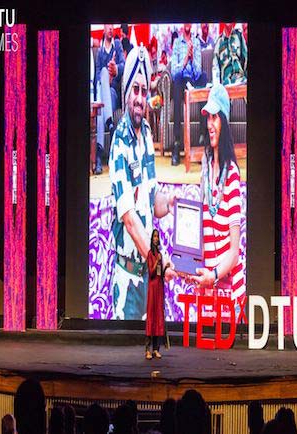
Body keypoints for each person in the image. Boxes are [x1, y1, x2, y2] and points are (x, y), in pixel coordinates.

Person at [109, 44, 176, 320]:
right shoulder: (119, 143)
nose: (139, 98)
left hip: (149, 277)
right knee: (125, 348)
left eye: (144, 91)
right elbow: (130, 221)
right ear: (126, 92)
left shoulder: (147, 134)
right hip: (128, 283)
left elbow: (151, 202)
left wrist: (171, 202)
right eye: (135, 90)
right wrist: (159, 263)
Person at [193, 84, 245, 320]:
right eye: (208, 118)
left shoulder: (232, 174)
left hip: (230, 291)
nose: (210, 124)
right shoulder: (205, 168)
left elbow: (234, 252)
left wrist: (213, 275)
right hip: (209, 290)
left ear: (224, 120)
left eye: (215, 117)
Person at [171, 23, 208, 166]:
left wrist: (192, 59)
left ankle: (202, 138)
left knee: (204, 77)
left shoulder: (196, 42)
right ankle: (176, 143)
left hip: (193, 79)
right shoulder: (177, 43)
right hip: (181, 79)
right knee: (177, 80)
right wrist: (186, 59)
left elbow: (198, 71)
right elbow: (174, 72)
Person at [94, 24, 125, 174]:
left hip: (113, 92)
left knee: (100, 108)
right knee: (103, 72)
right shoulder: (99, 51)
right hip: (101, 92)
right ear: (104, 29)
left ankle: (98, 156)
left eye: (112, 26)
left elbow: (124, 65)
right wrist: (105, 76)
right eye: (108, 26)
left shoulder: (117, 45)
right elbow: (97, 75)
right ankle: (110, 124)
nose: (111, 28)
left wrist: (116, 69)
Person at [145, 229, 166, 359]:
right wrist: (157, 261)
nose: (156, 238)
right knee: (151, 316)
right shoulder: (150, 254)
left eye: (158, 236)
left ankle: (156, 349)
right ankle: (147, 349)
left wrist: (165, 267)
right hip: (152, 288)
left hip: (159, 288)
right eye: (154, 236)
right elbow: (151, 273)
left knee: (158, 317)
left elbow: (160, 274)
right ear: (152, 239)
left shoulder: (160, 255)